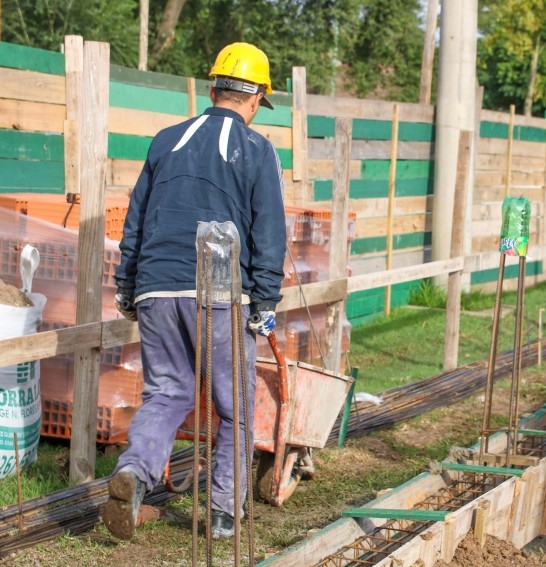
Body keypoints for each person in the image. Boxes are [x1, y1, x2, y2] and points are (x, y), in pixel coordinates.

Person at [104, 42, 286, 541]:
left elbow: (136, 220)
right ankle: (223, 514)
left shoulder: (166, 140)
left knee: (167, 392)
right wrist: (265, 301)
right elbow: (269, 232)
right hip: (219, 291)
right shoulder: (256, 150)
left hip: (155, 287)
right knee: (235, 405)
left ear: (212, 91)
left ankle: (134, 471)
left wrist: (128, 286)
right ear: (256, 99)